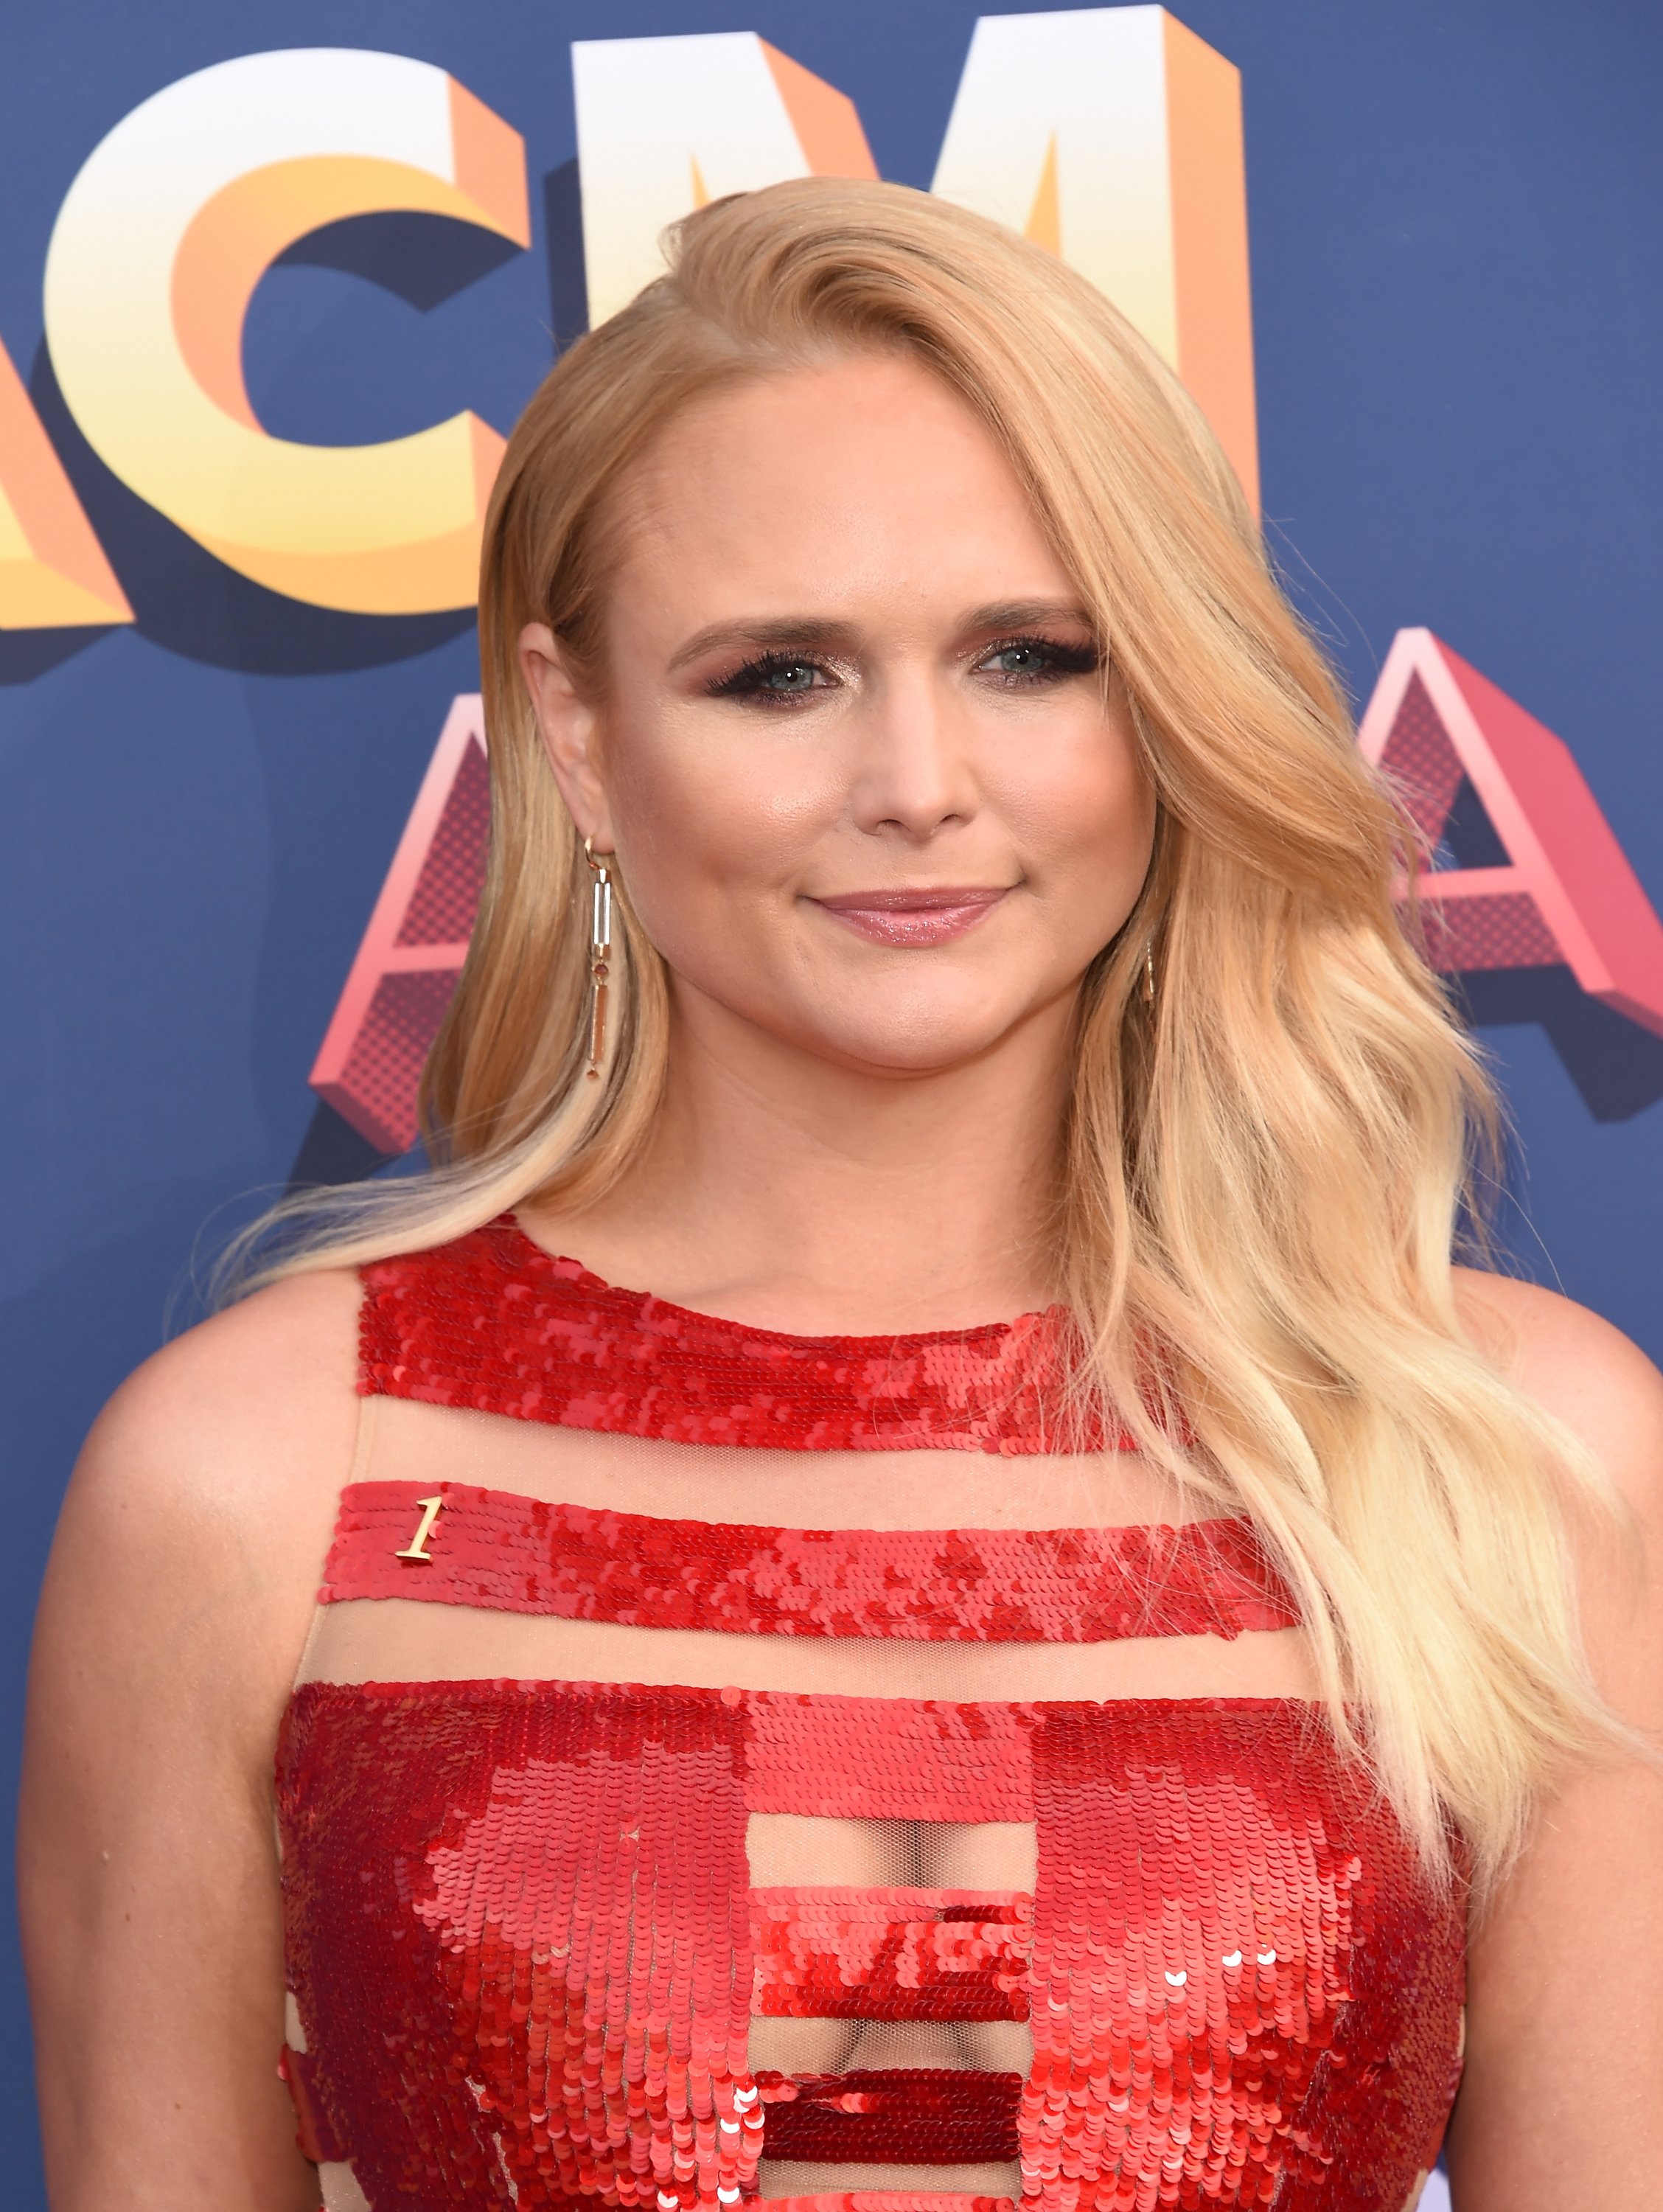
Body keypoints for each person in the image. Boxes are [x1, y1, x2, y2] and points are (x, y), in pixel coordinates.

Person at [18, 178, 1662, 2212]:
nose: (915, 780)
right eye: (781, 674)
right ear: (581, 736)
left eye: (1030, 656)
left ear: (1161, 705)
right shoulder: (256, 1481)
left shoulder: (1514, 1456)